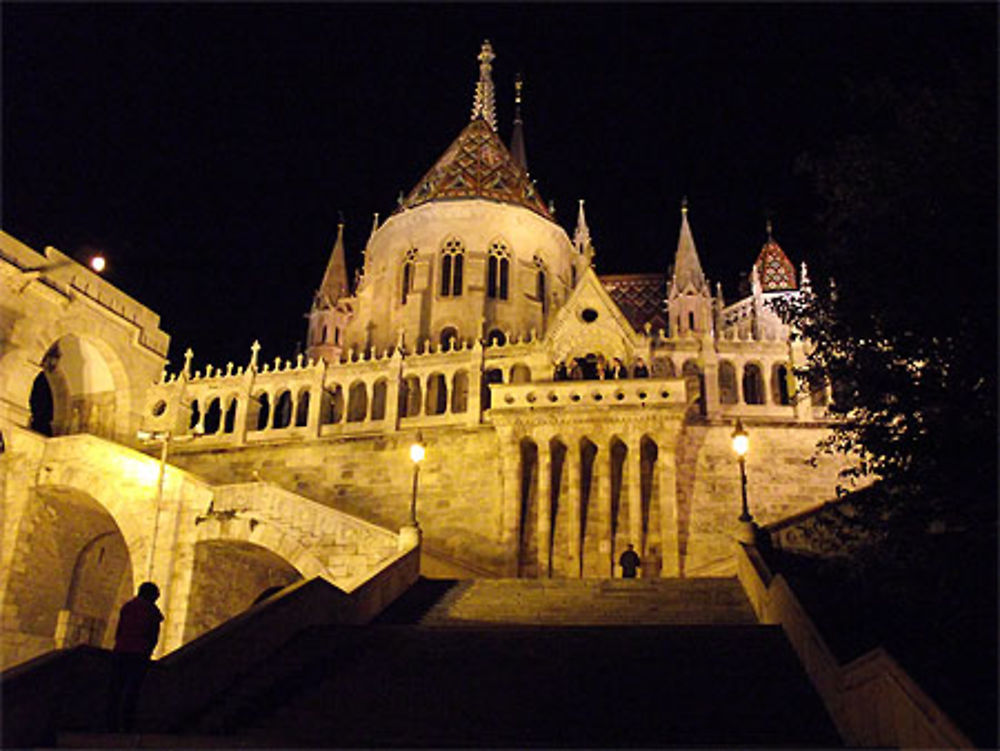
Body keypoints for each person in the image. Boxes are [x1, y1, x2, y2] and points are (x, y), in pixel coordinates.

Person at [107, 582, 163, 732]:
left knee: (116, 689)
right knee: (132, 690)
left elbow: (119, 631)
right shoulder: (151, 611)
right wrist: (148, 651)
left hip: (121, 651)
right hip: (138, 654)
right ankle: (126, 725)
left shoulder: (128, 607)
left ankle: (109, 723)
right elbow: (152, 635)